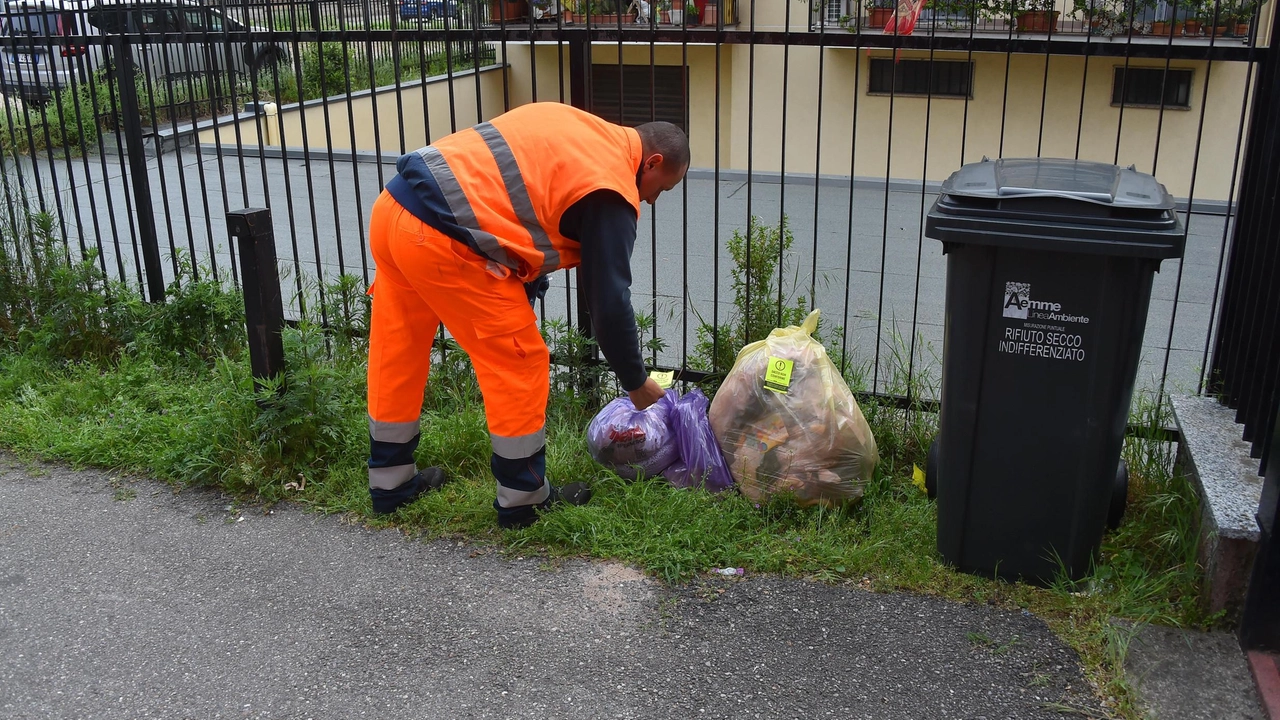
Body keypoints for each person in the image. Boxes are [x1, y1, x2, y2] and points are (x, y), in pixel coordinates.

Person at [364, 101, 690, 529]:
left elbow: (515, 204)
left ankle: (390, 484)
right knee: (520, 362)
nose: (652, 200)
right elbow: (609, 299)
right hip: (445, 242)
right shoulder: (610, 186)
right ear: (653, 162)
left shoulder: (577, 125)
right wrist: (635, 381)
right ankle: (523, 498)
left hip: (394, 212)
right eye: (660, 189)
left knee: (398, 348)